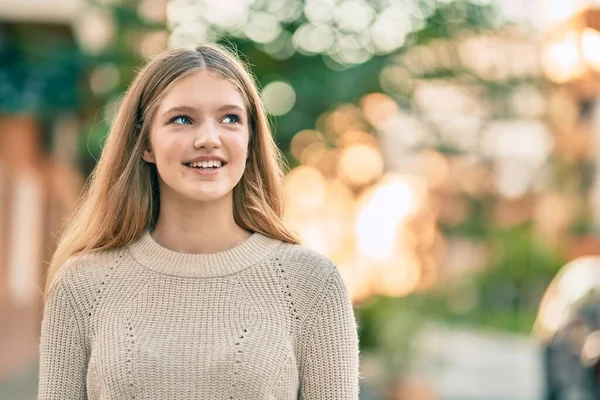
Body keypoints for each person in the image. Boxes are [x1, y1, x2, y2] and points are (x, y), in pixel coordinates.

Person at [38, 43, 360, 399]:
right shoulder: (82, 285)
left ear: (250, 139)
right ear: (145, 143)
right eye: (182, 119)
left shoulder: (311, 284)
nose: (209, 139)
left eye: (230, 119)